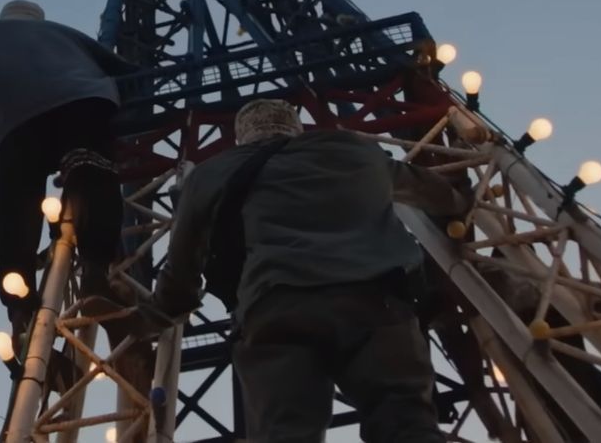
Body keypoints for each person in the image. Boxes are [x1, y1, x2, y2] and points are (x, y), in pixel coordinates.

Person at [146, 99, 472, 443]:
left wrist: (152, 315)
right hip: (378, 305)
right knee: (407, 424)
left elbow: (181, 271)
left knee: (286, 432)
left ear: (241, 136)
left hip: (275, 310)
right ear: (297, 126)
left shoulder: (211, 173)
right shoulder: (355, 149)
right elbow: (431, 191)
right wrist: (460, 202)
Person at [0, 0, 137, 334]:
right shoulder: (67, 34)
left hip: (20, 120)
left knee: (14, 201)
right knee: (92, 169)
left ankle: (20, 304)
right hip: (85, 101)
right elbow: (127, 71)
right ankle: (95, 270)